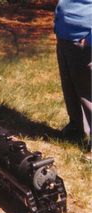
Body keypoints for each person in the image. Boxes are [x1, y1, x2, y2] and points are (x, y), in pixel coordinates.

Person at [54, 0, 92, 161]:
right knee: (69, 87)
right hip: (65, 37)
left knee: (88, 93)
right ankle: (76, 129)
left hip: (84, 40)